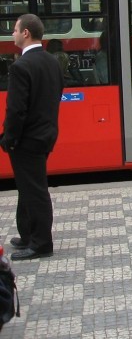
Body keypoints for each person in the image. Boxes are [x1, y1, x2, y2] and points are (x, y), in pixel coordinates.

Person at [0, 14, 63, 261]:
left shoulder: (20, 66)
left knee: (35, 190)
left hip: (27, 139)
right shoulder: (52, 61)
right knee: (28, 185)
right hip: (46, 135)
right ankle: (27, 234)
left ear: (26, 33)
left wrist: (9, 138)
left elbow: (16, 110)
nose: (13, 34)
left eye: (15, 30)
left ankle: (41, 243)